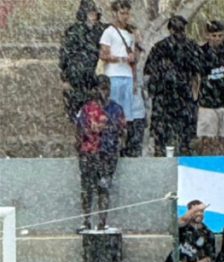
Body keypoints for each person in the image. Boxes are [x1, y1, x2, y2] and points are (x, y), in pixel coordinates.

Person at [144, 15, 201, 156]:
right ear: (171, 29)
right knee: (163, 137)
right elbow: (149, 71)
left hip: (180, 95)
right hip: (165, 95)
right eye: (177, 29)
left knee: (183, 136)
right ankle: (165, 157)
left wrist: (195, 93)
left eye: (180, 29)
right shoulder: (161, 47)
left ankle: (180, 157)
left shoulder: (189, 46)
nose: (179, 33)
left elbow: (198, 73)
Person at [75, 75, 125, 232]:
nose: (105, 92)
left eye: (107, 88)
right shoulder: (86, 109)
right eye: (102, 88)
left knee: (104, 187)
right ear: (95, 90)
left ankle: (102, 222)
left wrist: (117, 147)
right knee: (87, 188)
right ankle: (86, 220)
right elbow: (79, 131)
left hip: (107, 154)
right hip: (89, 154)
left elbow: (123, 131)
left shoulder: (116, 109)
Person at [98, 0, 143, 156]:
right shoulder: (109, 32)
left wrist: (137, 45)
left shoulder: (130, 33)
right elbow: (103, 54)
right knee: (113, 112)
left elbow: (135, 59)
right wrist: (122, 59)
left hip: (128, 76)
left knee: (127, 114)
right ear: (115, 14)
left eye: (127, 13)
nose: (125, 17)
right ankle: (111, 144)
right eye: (122, 13)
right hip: (114, 75)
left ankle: (124, 146)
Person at [196, 20, 224, 156]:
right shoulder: (201, 52)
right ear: (207, 35)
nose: (217, 39)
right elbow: (200, 71)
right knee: (207, 141)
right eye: (214, 35)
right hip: (208, 103)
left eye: (220, 36)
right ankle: (207, 168)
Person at [60, 0, 105, 123]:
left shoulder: (101, 30)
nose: (93, 16)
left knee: (92, 111)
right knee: (78, 113)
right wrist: (65, 78)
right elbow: (65, 55)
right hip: (76, 77)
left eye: (94, 13)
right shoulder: (73, 31)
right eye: (90, 13)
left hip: (93, 77)